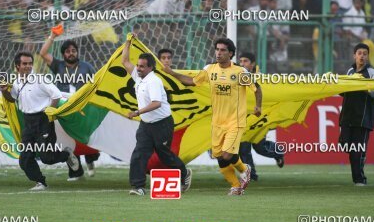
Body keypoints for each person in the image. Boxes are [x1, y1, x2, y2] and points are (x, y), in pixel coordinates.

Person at [163, 38, 262, 196]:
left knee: (227, 154)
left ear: (230, 53)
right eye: (217, 49)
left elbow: (256, 88)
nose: (218, 52)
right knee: (220, 157)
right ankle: (236, 184)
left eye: (223, 50)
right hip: (217, 122)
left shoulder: (239, 72)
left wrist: (258, 106)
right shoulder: (210, 69)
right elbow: (191, 82)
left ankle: (244, 171)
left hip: (235, 121)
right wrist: (171, 73)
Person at [121, 34, 192, 196]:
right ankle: (138, 187)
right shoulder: (138, 77)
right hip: (146, 124)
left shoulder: (153, 81)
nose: (138, 68)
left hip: (162, 124)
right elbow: (124, 61)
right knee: (139, 153)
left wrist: (137, 112)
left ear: (151, 68)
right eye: (138, 65)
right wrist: (128, 42)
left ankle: (184, 173)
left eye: (142, 66)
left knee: (164, 155)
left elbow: (156, 103)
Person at [0, 52, 80, 191]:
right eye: (24, 63)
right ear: (17, 66)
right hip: (28, 122)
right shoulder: (16, 82)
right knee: (24, 158)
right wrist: (4, 92)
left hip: (43, 121)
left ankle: (66, 154)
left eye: (30, 63)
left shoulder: (40, 79)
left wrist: (50, 111)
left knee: (47, 158)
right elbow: (12, 99)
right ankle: (40, 182)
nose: (28, 66)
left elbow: (56, 95)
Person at [39, 25, 100, 180]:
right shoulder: (58, 65)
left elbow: (96, 86)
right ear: (63, 54)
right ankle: (76, 171)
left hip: (83, 108)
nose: (71, 53)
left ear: (77, 52)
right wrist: (52, 36)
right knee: (67, 138)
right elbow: (43, 53)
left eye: (73, 51)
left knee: (88, 136)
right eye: (67, 51)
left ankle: (90, 159)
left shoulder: (87, 67)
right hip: (64, 108)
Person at [237, 52, 284, 181]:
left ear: (252, 64)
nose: (242, 64)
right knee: (243, 147)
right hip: (244, 119)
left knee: (260, 148)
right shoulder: (236, 76)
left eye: (245, 61)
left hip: (259, 118)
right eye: (240, 61)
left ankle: (278, 152)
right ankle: (251, 175)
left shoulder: (262, 79)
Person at [339, 43, 374, 186]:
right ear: (354, 55)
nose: (362, 56)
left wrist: (365, 87)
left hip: (362, 118)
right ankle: (358, 177)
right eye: (359, 53)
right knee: (345, 145)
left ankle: (359, 179)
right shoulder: (350, 71)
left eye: (365, 53)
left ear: (368, 57)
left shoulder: (372, 73)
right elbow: (344, 91)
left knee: (357, 150)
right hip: (347, 117)